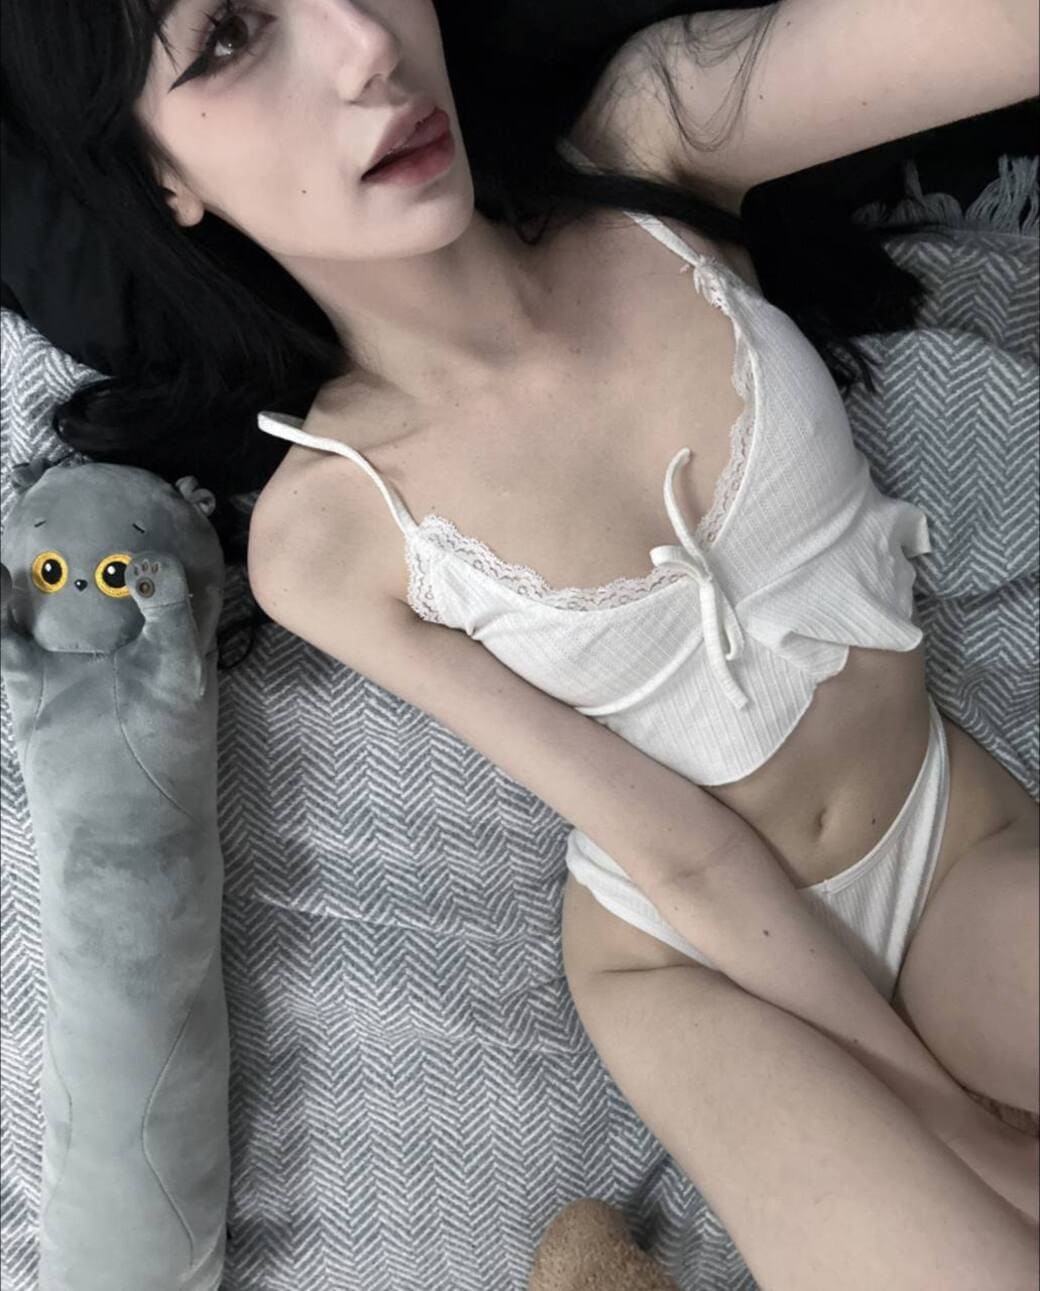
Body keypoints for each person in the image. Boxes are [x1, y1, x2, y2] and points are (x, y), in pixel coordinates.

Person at [5, 2, 1038, 1286]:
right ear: (164, 176)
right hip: (688, 958)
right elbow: (681, 850)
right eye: (229, 38)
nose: (364, 46)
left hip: (941, 833)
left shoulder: (654, 141)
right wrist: (946, 1123)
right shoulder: (327, 532)